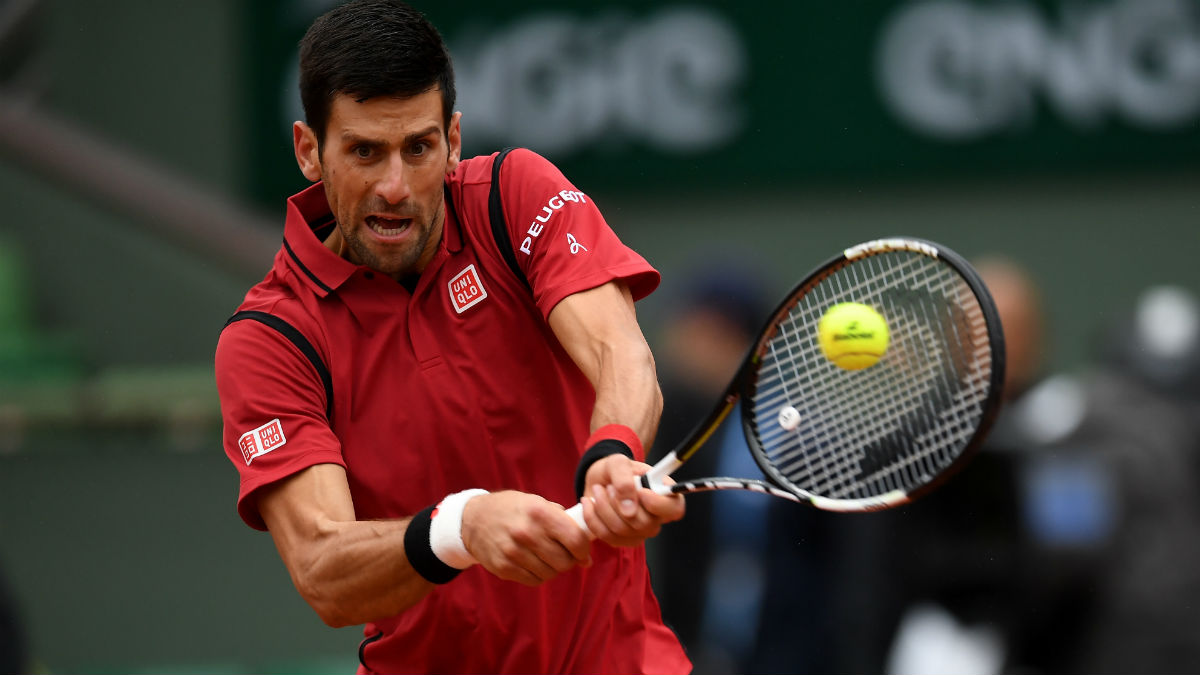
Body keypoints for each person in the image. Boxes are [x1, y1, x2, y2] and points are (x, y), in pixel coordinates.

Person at [213, 2, 688, 673]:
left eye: (418, 147)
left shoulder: (514, 195)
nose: (395, 187)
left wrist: (613, 451)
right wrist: (458, 528)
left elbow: (620, 351)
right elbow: (323, 566)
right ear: (309, 151)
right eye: (364, 152)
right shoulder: (272, 339)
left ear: (454, 139)